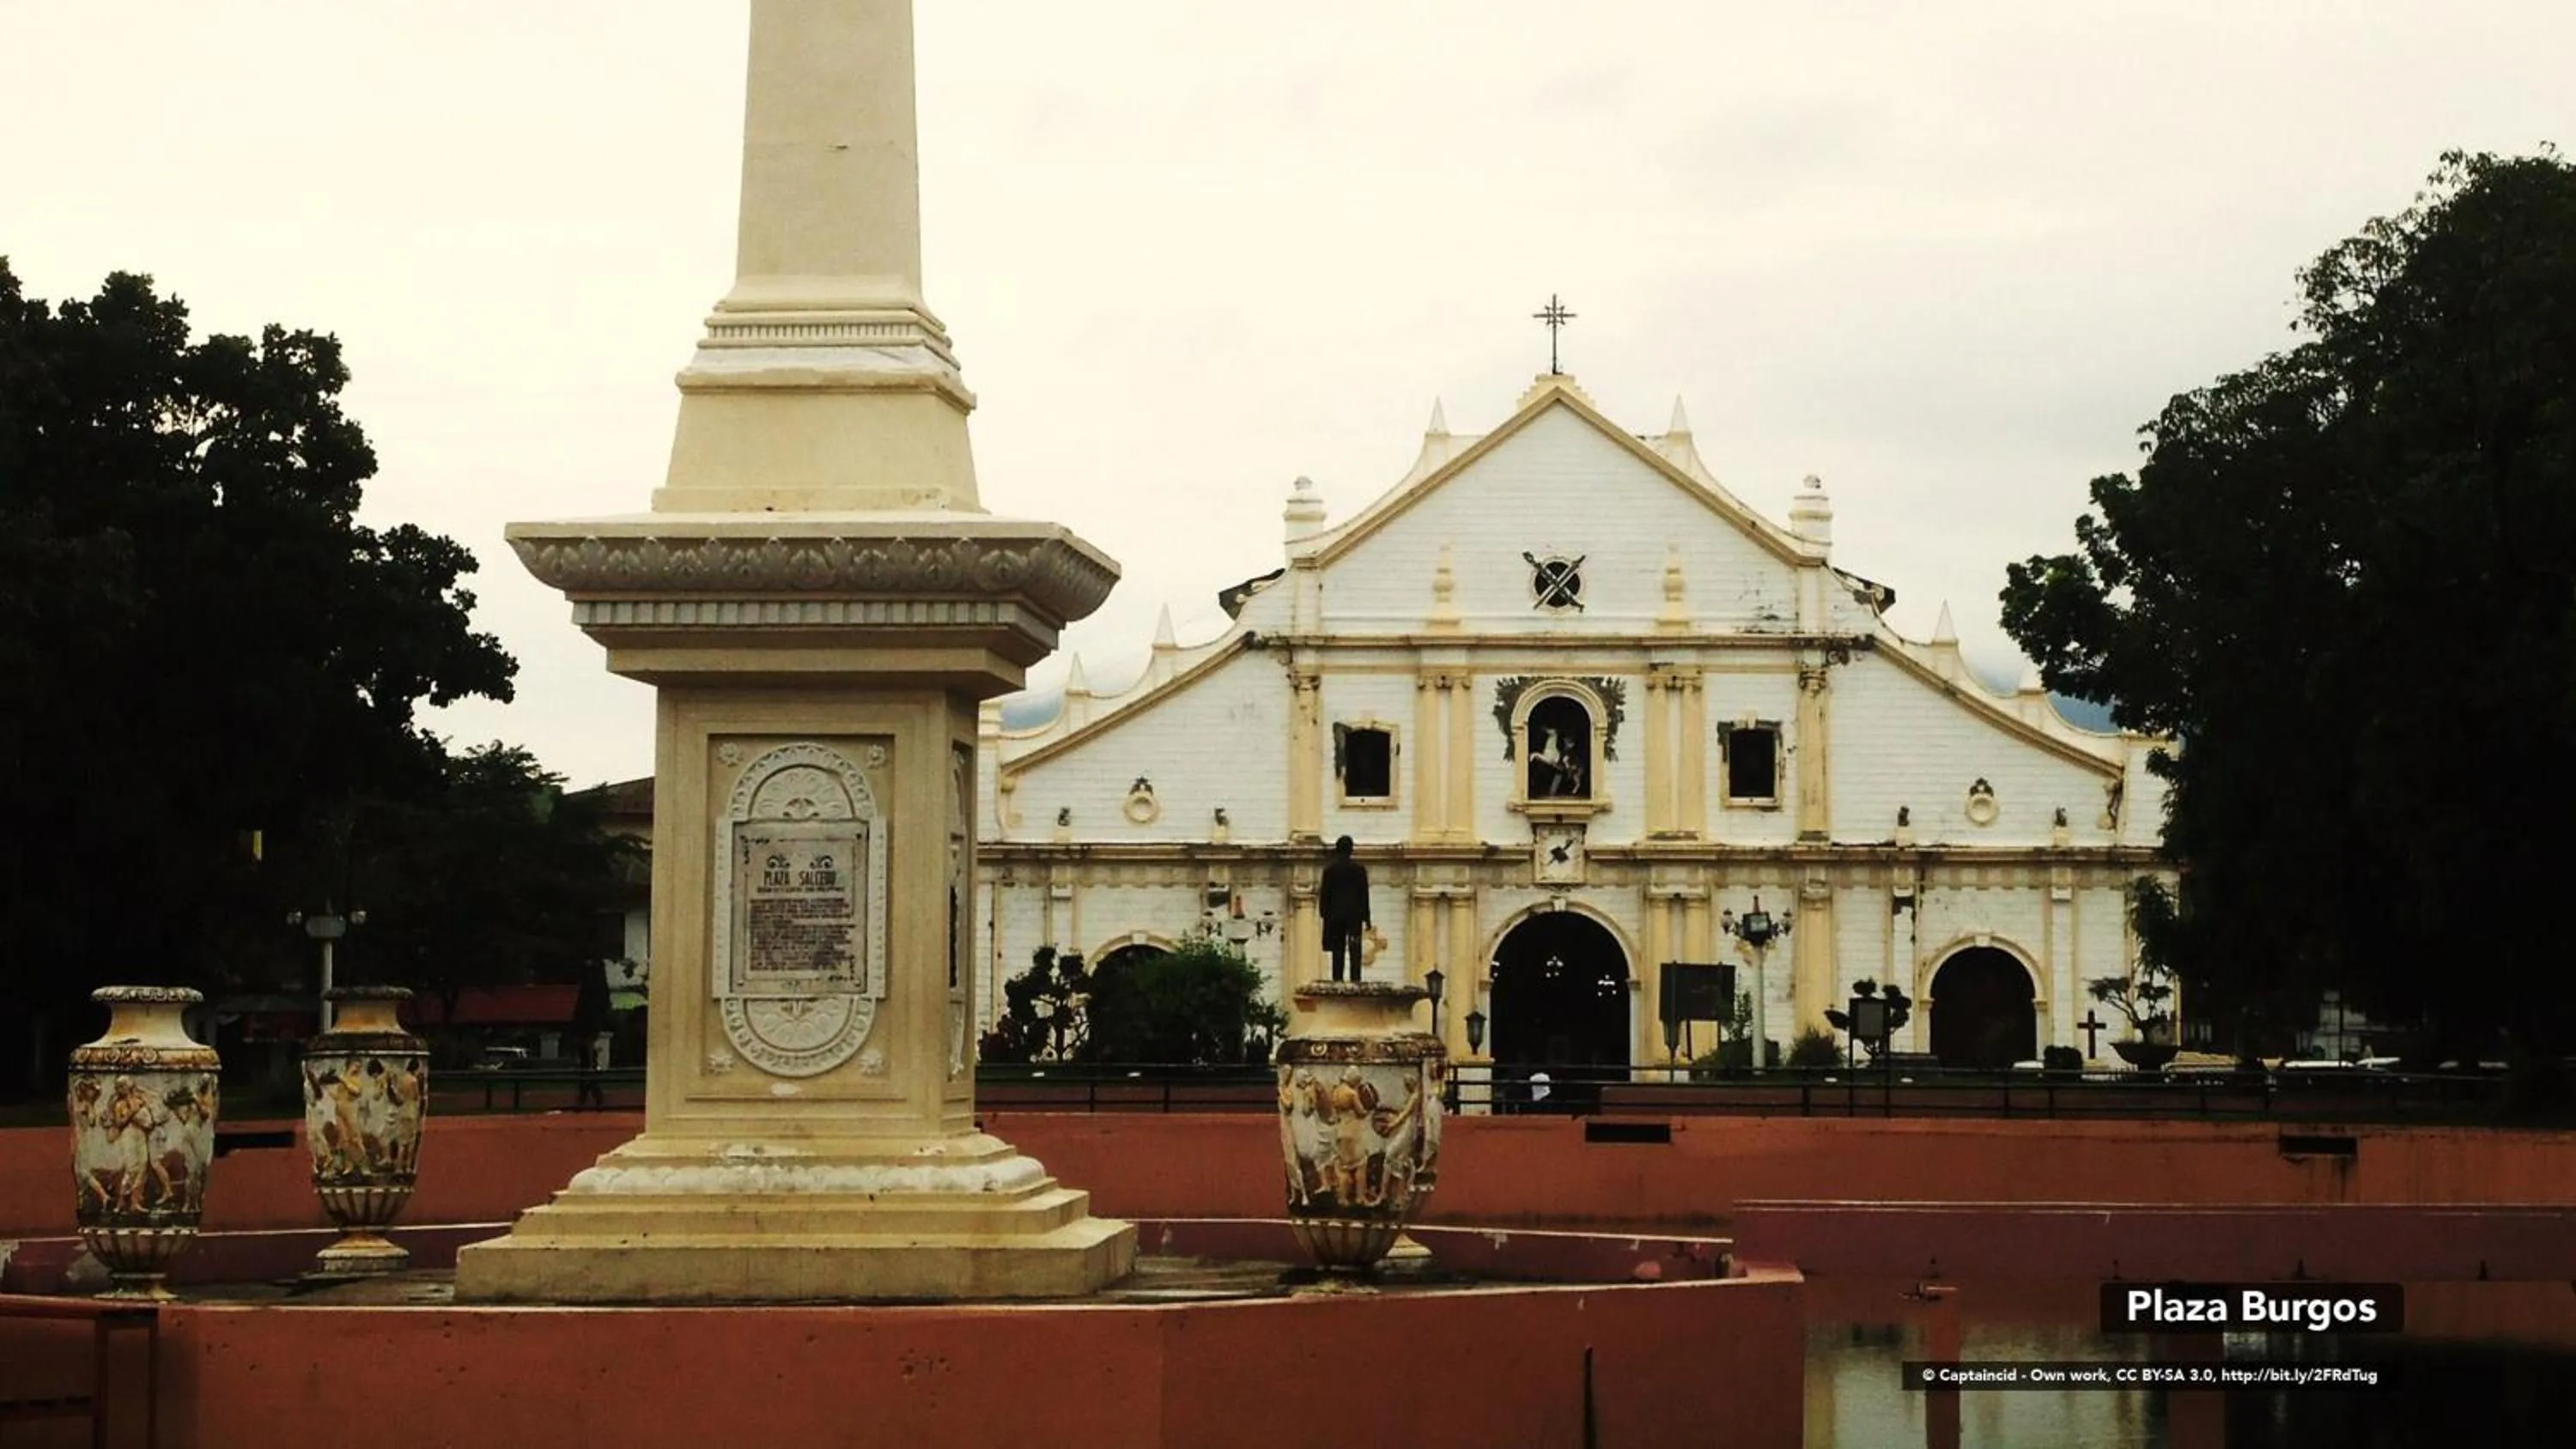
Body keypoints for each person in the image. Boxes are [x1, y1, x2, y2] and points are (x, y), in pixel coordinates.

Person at [1319, 834, 1371, 983]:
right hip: (1354, 915)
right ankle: (1356, 978)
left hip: (1335, 916)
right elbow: (1364, 895)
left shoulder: (1330, 870)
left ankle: (1337, 979)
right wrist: (1367, 918)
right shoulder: (1359, 870)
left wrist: (1324, 914)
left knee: (1338, 949)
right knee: (1355, 948)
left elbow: (1325, 895)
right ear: (1351, 850)